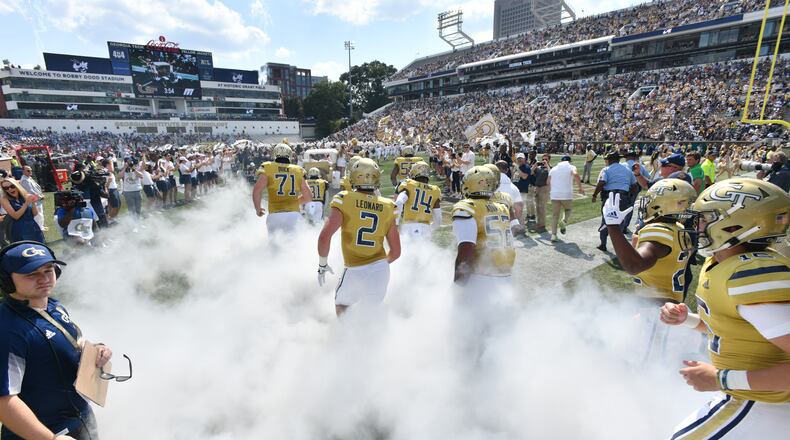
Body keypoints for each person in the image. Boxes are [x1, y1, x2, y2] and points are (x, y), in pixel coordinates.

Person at [659, 178, 790, 439]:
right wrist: (689, 319)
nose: (696, 226)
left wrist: (723, 379)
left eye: (706, 218)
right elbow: (740, 329)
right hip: (753, 396)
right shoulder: (723, 263)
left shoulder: (752, 274)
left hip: (763, 402)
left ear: (735, 224)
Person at [0, 241, 114, 440]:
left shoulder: (52, 305)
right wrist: (49, 438)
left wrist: (97, 350)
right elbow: (4, 400)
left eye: (48, 270)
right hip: (45, 432)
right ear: (6, 280)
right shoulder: (8, 329)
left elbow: (61, 345)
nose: (44, 279)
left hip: (78, 419)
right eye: (31, 274)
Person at [317, 158, 400, 316]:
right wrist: (376, 265)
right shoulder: (389, 206)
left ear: (354, 176)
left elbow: (324, 236)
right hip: (381, 270)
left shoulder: (344, 199)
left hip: (354, 269)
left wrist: (322, 265)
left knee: (342, 305)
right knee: (370, 314)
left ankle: (346, 337)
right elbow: (396, 252)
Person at [452, 166, 515, 289]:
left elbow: (466, 251)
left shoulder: (467, 207)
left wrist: (458, 287)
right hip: (506, 275)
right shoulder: (502, 207)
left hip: (482, 277)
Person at [252, 143, 312, 235]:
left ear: (274, 154)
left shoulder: (268, 167)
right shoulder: (298, 170)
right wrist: (294, 202)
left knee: (275, 247)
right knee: (295, 247)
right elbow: (308, 197)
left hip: (275, 215)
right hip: (293, 216)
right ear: (290, 155)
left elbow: (257, 190)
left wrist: (258, 208)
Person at [592, 151, 637, 252]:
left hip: (610, 197)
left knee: (605, 220)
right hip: (623, 197)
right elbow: (634, 185)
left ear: (610, 160)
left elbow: (602, 182)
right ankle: (618, 246)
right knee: (620, 221)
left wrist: (594, 195)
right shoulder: (627, 170)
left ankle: (603, 244)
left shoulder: (606, 169)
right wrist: (629, 197)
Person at [394, 161, 442, 241]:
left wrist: (395, 223)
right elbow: (438, 220)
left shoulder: (409, 185)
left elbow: (399, 202)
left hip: (409, 227)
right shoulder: (435, 190)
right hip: (426, 228)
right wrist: (430, 228)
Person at [547, 155, 584, 242]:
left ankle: (553, 235)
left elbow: (547, 182)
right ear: (569, 161)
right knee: (568, 209)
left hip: (555, 194)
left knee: (555, 215)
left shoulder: (554, 169)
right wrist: (580, 188)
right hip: (566, 194)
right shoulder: (571, 167)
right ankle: (564, 221)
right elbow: (576, 174)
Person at [0, 179, 44, 243]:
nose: (9, 189)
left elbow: (35, 213)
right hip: (19, 229)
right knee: (25, 250)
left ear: (17, 186)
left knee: (40, 248)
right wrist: (26, 203)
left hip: (33, 226)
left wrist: (33, 203)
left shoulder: (26, 195)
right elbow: (15, 216)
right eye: (6, 188)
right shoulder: (4, 199)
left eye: (12, 186)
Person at [19, 166, 45, 232]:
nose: (30, 172)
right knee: (38, 214)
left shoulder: (29, 178)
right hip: (34, 199)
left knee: (40, 213)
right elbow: (30, 191)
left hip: (37, 199)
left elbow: (36, 187)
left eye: (30, 170)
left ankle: (41, 226)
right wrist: (40, 196)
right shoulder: (24, 180)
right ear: (23, 171)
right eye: (28, 170)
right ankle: (39, 228)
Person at [530, 154, 551, 233]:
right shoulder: (539, 168)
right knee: (538, 207)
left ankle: (542, 224)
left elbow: (551, 174)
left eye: (546, 159)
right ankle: (539, 223)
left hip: (544, 188)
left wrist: (547, 165)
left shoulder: (550, 168)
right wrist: (535, 165)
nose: (544, 161)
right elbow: (531, 172)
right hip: (537, 188)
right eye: (543, 159)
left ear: (549, 160)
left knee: (542, 207)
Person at [514, 153, 533, 228]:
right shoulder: (517, 167)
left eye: (521, 159)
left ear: (524, 159)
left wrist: (517, 168)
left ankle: (522, 224)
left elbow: (524, 177)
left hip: (522, 190)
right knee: (515, 207)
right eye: (518, 159)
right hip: (516, 191)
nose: (519, 160)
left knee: (521, 208)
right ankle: (516, 223)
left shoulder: (526, 167)